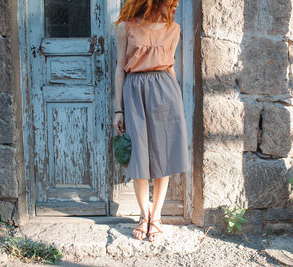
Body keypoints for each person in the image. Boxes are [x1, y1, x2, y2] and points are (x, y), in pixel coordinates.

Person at [113, 0, 190, 242]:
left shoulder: (174, 28)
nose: (176, 5)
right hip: (134, 91)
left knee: (163, 156)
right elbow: (120, 69)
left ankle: (155, 216)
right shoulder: (126, 27)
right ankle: (143, 215)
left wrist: (177, 102)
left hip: (166, 93)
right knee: (139, 156)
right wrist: (119, 110)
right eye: (171, 1)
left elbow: (171, 68)